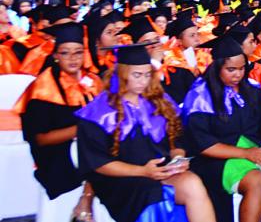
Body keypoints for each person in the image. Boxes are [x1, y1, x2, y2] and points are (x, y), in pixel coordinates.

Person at [74, 44, 216, 222]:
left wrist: (177, 159)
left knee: (193, 183)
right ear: (122, 75)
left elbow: (177, 139)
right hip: (122, 181)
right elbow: (98, 163)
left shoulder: (159, 101)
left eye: (148, 75)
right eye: (137, 75)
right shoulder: (98, 113)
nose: (143, 81)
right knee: (152, 194)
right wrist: (143, 171)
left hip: (159, 171)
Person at [181, 29, 261, 222]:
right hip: (216, 159)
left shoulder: (251, 90)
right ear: (217, 67)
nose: (238, 74)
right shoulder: (201, 96)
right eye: (231, 70)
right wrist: (247, 154)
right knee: (256, 180)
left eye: (241, 68)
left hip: (254, 152)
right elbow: (203, 144)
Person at [15, 23, 103, 221]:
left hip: (90, 147)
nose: (73, 59)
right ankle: (86, 202)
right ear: (55, 55)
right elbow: (42, 140)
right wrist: (82, 129)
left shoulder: (93, 81)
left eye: (78, 52)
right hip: (57, 154)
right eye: (65, 53)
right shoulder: (43, 88)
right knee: (99, 157)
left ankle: (85, 200)